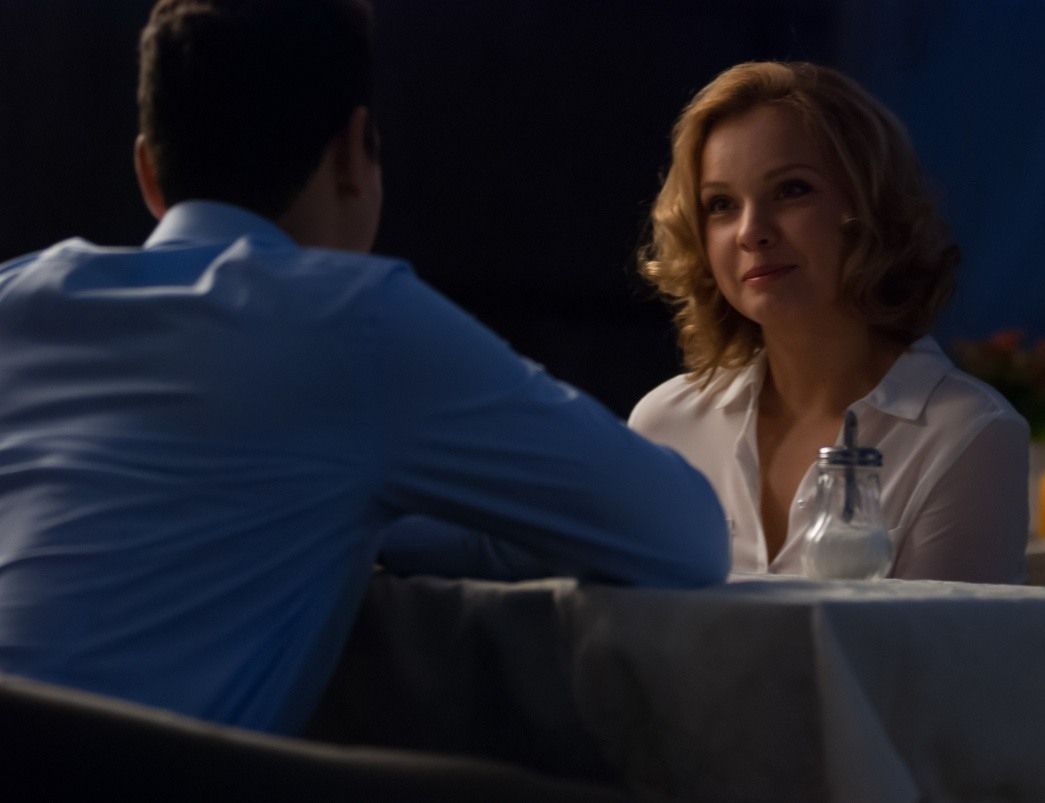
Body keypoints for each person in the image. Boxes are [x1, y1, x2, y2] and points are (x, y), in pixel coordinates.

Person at [0, 0, 728, 736]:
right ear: (355, 150)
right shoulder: (354, 321)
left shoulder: (17, 298)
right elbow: (684, 534)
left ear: (147, 172)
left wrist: (371, 518)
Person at [629, 61, 1028, 583]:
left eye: (791, 190)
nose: (751, 231)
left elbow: (936, 640)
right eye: (721, 204)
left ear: (869, 205)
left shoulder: (969, 435)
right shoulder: (664, 426)